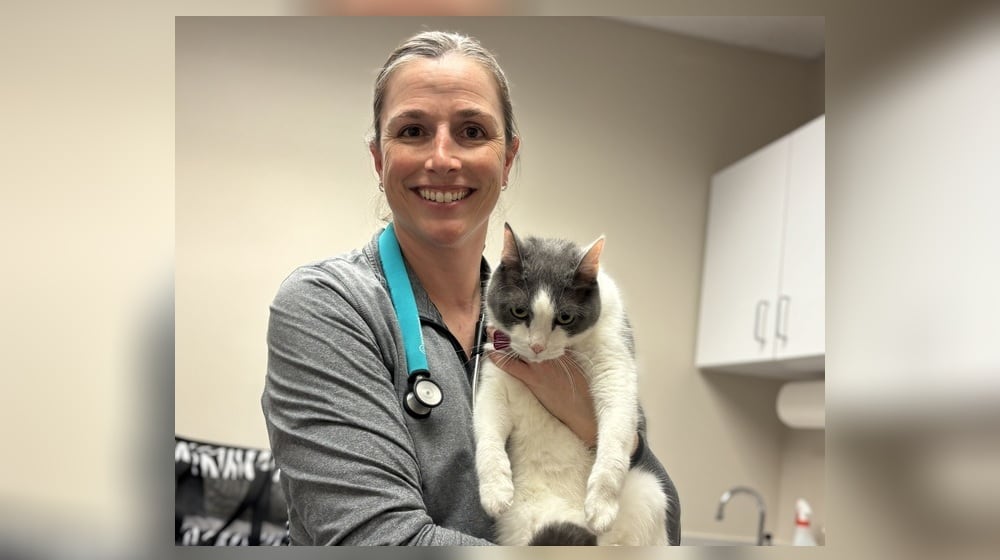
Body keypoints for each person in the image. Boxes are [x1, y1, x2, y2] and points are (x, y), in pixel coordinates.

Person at [261, 30, 681, 546]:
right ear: (378, 160)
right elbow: (375, 539)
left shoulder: (555, 319)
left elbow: (666, 522)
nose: (442, 158)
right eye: (413, 130)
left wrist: (598, 429)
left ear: (507, 162)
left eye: (472, 131)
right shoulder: (329, 307)